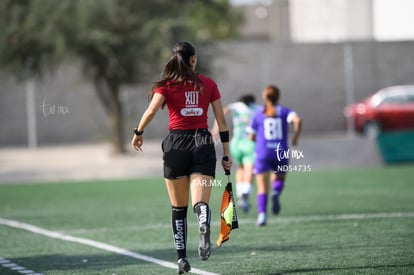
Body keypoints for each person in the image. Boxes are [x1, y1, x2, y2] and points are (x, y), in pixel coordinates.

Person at [131, 41, 232, 274]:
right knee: (200, 202)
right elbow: (222, 121)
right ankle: (204, 219)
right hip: (203, 143)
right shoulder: (208, 84)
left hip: (176, 145)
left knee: (178, 208)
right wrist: (226, 153)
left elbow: (151, 111)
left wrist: (138, 133)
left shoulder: (166, 86)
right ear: (193, 59)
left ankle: (182, 259)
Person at [247, 85, 302, 226]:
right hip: (280, 151)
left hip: (263, 152)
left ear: (264, 97)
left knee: (262, 186)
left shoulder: (258, 113)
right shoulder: (284, 111)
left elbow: (251, 136)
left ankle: (262, 215)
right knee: (279, 178)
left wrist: (257, 140)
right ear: (278, 96)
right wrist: (295, 137)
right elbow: (297, 120)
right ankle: (276, 192)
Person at [215, 94, 258, 213]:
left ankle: (239, 196)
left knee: (240, 168)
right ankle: (245, 193)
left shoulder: (237, 106)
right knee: (249, 169)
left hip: (236, 143)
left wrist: (215, 129)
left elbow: (224, 110)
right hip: (250, 143)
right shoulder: (256, 108)